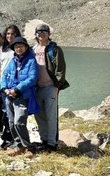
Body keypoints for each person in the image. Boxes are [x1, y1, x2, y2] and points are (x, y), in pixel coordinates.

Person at [33, 23, 69, 152]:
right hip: (37, 88)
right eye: (39, 32)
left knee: (51, 116)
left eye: (44, 31)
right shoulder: (33, 49)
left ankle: (52, 143)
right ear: (35, 35)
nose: (41, 34)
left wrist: (57, 86)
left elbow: (60, 68)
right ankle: (44, 140)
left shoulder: (54, 49)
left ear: (49, 34)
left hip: (50, 87)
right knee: (39, 115)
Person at [0, 36, 39, 157]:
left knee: (19, 122)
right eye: (16, 47)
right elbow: (5, 75)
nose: (18, 49)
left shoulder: (31, 61)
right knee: (11, 123)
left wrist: (17, 89)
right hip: (9, 97)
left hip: (22, 96)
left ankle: (29, 147)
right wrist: (5, 88)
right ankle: (19, 145)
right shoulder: (12, 61)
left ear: (26, 47)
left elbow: (32, 79)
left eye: (21, 46)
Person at [0, 25, 21, 149]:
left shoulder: (19, 48)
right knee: (5, 114)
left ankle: (17, 139)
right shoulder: (2, 49)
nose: (10, 36)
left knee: (16, 114)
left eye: (13, 34)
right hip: (4, 86)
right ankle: (8, 138)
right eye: (8, 34)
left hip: (15, 86)